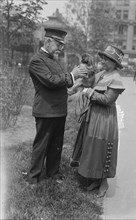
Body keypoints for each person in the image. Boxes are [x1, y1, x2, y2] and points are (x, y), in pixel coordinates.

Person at [25, 27, 88, 186]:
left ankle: (53, 173)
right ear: (47, 41)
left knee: (56, 144)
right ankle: (34, 178)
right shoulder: (36, 60)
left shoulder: (53, 60)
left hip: (59, 110)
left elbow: (60, 83)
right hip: (46, 111)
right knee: (42, 145)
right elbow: (51, 81)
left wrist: (73, 86)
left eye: (62, 44)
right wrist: (73, 75)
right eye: (58, 44)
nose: (61, 48)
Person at [70, 45, 125, 197]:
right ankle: (95, 178)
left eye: (108, 59)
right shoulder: (102, 73)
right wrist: (84, 73)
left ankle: (104, 182)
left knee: (102, 147)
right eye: (104, 58)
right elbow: (89, 82)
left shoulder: (116, 78)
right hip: (94, 115)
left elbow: (107, 99)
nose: (104, 61)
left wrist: (88, 92)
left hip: (105, 118)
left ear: (115, 63)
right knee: (93, 146)